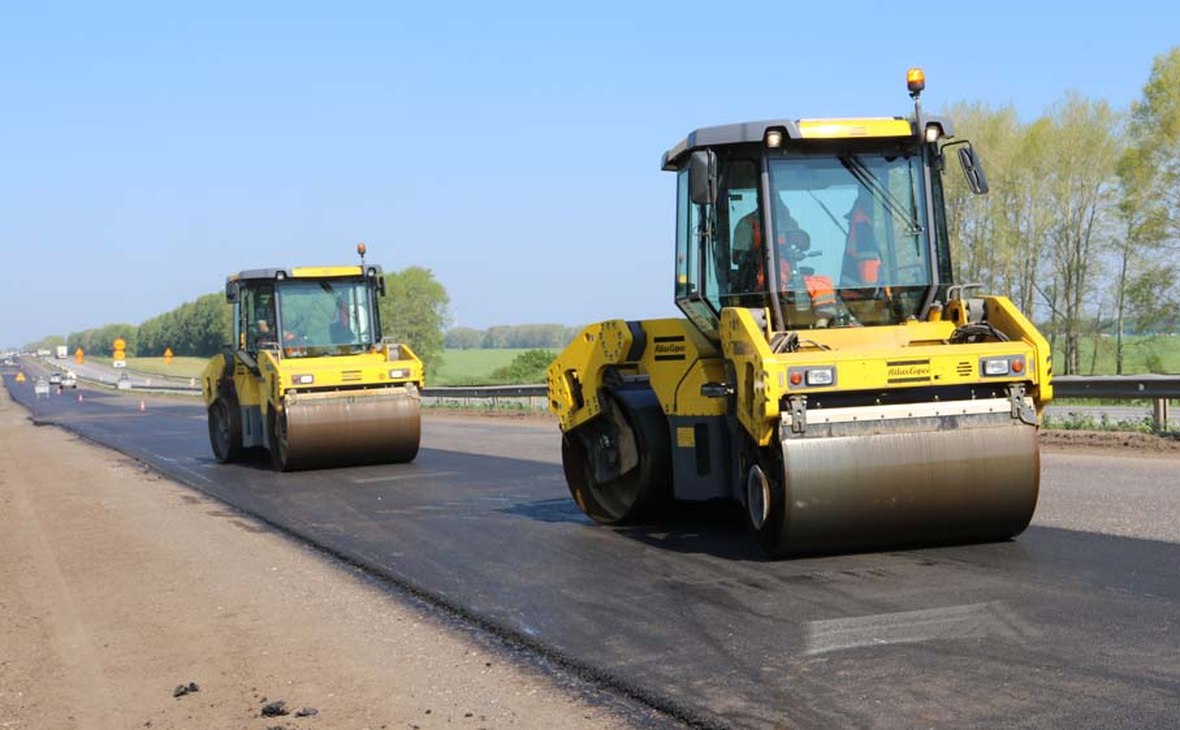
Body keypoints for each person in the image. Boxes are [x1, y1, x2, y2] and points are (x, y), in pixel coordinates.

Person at [733, 197, 838, 325]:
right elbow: (737, 258)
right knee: (775, 285)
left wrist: (794, 243)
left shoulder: (788, 221)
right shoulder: (748, 223)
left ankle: (822, 324)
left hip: (788, 272)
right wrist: (758, 254)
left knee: (822, 284)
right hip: (760, 274)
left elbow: (804, 243)